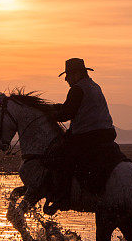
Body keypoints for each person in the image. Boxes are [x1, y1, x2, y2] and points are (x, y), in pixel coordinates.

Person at [44, 58, 117, 215]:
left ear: (76, 74)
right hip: (105, 134)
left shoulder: (77, 89)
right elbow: (68, 107)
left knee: (58, 156)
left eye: (68, 75)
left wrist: (48, 116)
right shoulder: (94, 86)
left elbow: (67, 113)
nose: (66, 79)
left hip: (88, 136)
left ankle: (62, 197)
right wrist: (52, 107)